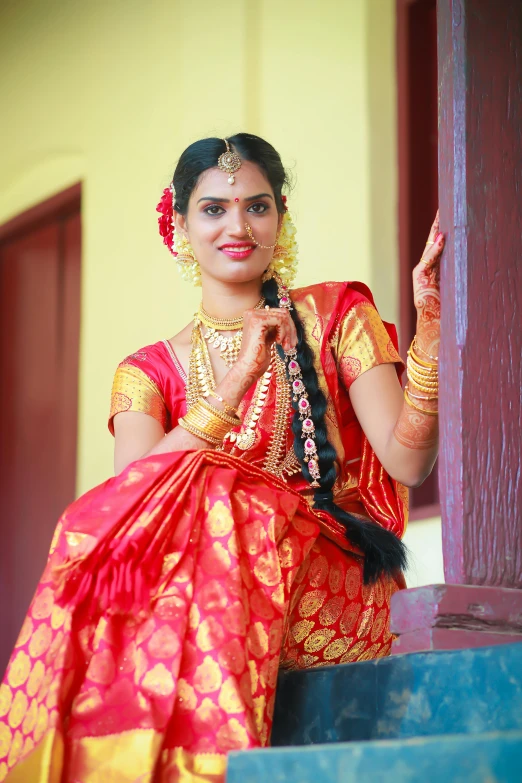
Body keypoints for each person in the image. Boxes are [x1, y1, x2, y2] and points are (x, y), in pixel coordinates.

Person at [0, 134, 443, 782]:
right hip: (211, 605)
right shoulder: (146, 371)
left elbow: (408, 463)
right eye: (213, 209)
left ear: (280, 216)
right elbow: (130, 505)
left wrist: (430, 329)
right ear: (178, 224)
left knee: (221, 494)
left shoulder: (336, 313)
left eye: (257, 206)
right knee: (98, 525)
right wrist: (234, 383)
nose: (237, 225)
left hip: (332, 590)